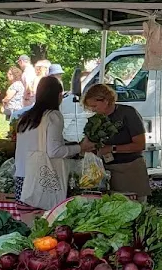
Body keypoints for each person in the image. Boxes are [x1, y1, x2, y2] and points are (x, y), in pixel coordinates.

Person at [13, 76, 94, 204]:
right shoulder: (53, 116)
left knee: (25, 220)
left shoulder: (25, 117)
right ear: (58, 95)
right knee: (46, 220)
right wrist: (80, 147)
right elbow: (54, 151)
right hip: (42, 178)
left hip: (21, 176)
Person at [82, 84, 151, 200]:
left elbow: (140, 145)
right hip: (107, 171)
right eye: (90, 107)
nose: (93, 110)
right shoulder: (95, 120)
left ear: (106, 100)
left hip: (130, 169)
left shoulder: (128, 113)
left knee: (135, 207)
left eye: (94, 106)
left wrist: (112, 148)